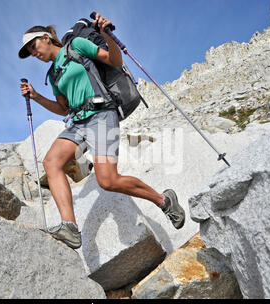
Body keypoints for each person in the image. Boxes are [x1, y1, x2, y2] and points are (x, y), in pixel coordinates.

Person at [19, 13, 185, 249]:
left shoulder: (75, 46)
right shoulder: (53, 74)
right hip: (77, 122)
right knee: (51, 162)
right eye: (29, 53)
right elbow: (62, 108)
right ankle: (70, 227)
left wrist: (108, 35)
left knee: (108, 180)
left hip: (101, 114)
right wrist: (36, 97)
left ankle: (164, 200)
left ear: (46, 38)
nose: (33, 54)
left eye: (33, 47)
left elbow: (114, 61)